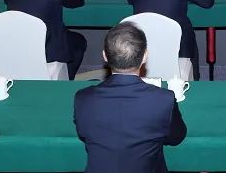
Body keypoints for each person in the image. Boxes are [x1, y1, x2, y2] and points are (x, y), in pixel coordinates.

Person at [74, 22, 186, 173]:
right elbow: (176, 137)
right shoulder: (164, 100)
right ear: (145, 56)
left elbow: (82, 133)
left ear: (105, 56)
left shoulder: (83, 99)